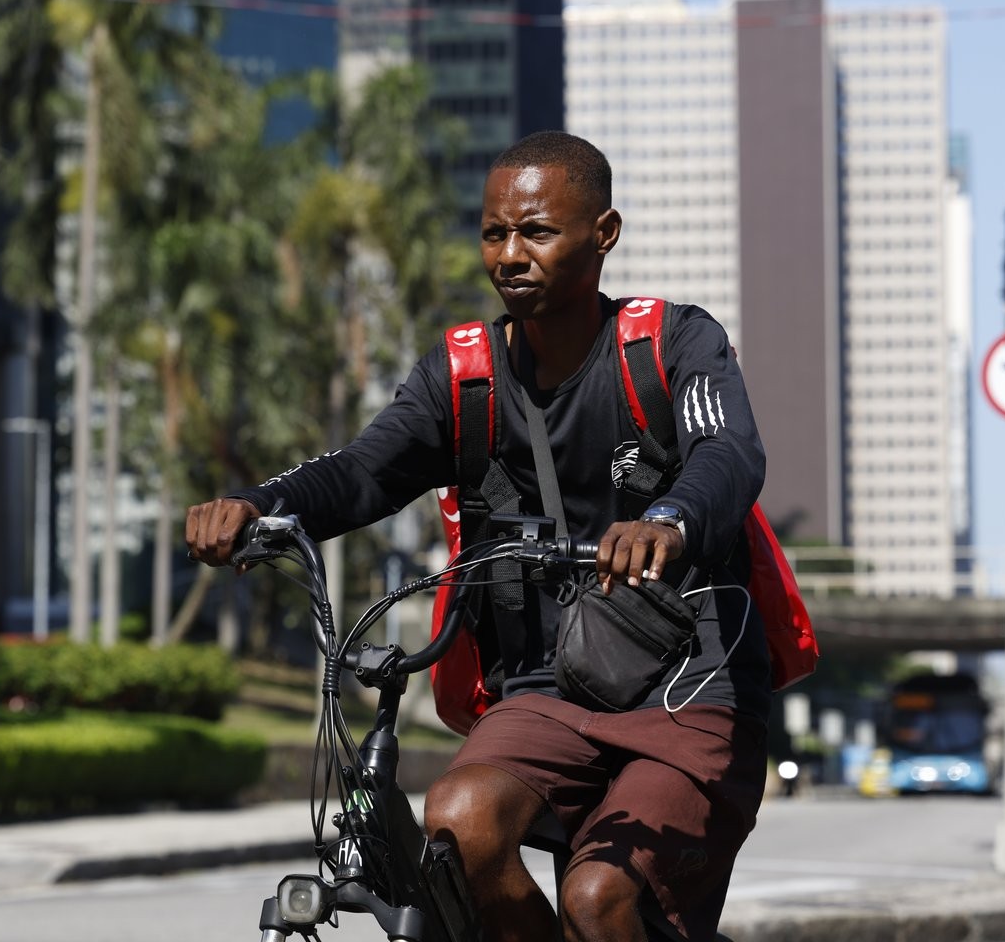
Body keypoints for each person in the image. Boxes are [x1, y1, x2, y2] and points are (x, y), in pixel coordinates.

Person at [186, 130, 770, 942]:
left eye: (537, 231)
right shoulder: (462, 378)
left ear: (603, 234)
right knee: (457, 820)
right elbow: (363, 471)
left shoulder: (671, 343)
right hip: (542, 690)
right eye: (495, 232)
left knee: (600, 899)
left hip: (687, 687)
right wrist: (257, 507)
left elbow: (729, 454)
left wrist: (668, 520)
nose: (510, 254)